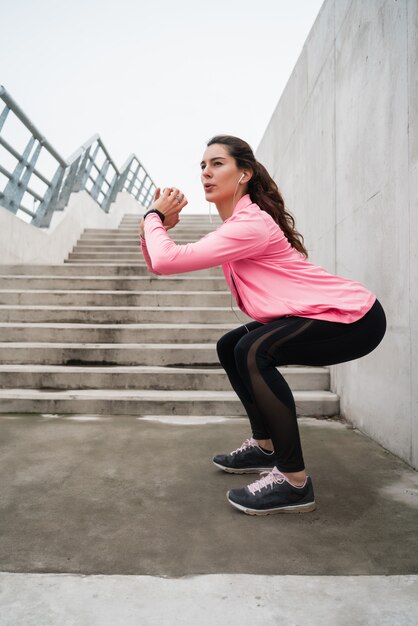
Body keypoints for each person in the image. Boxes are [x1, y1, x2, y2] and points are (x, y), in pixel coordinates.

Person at [139, 135, 387, 516]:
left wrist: (153, 218)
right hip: (322, 314)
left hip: (355, 317)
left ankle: (293, 481)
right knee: (230, 345)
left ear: (244, 174)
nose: (206, 172)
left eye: (217, 163)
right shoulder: (238, 224)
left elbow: (168, 260)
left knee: (254, 350)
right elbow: (160, 261)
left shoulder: (251, 224)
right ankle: (264, 445)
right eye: (202, 166)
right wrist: (156, 228)